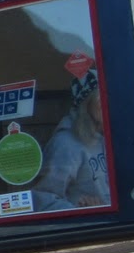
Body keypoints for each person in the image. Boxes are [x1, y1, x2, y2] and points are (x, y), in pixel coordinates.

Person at [31, 66, 109, 211]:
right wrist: (82, 211)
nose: (108, 105)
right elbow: (43, 199)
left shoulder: (109, 139)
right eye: (101, 99)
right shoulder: (66, 144)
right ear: (86, 104)